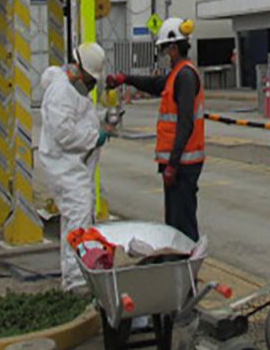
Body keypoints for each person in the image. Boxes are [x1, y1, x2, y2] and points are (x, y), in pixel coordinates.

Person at [106, 18, 204, 241]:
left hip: (183, 163)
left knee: (182, 222)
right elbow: (155, 84)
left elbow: (185, 124)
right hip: (179, 162)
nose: (165, 56)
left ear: (174, 48)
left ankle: (187, 260)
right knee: (175, 220)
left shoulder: (185, 76)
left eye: (166, 50)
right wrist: (126, 78)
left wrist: (173, 164)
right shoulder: (178, 74)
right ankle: (178, 258)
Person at [38, 42, 113, 292]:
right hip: (64, 165)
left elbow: (80, 117)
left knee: (76, 218)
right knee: (79, 218)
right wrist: (95, 138)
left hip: (72, 165)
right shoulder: (61, 91)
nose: (90, 86)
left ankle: (76, 276)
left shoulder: (70, 89)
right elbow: (65, 134)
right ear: (79, 70)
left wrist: (100, 124)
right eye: (90, 80)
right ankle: (76, 282)